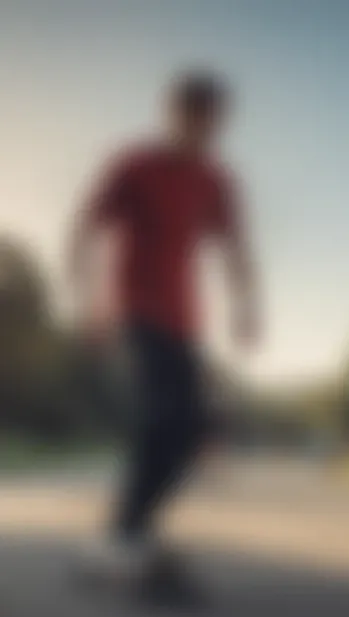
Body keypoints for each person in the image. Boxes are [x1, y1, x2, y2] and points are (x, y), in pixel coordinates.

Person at [67, 70, 261, 579]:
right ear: (172, 115)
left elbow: (236, 248)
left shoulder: (216, 180)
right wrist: (88, 302)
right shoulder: (134, 164)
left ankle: (132, 529)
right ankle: (125, 533)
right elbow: (83, 229)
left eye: (212, 125)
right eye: (193, 120)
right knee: (163, 417)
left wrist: (247, 306)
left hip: (185, 320)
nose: (202, 134)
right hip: (135, 309)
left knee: (195, 429)